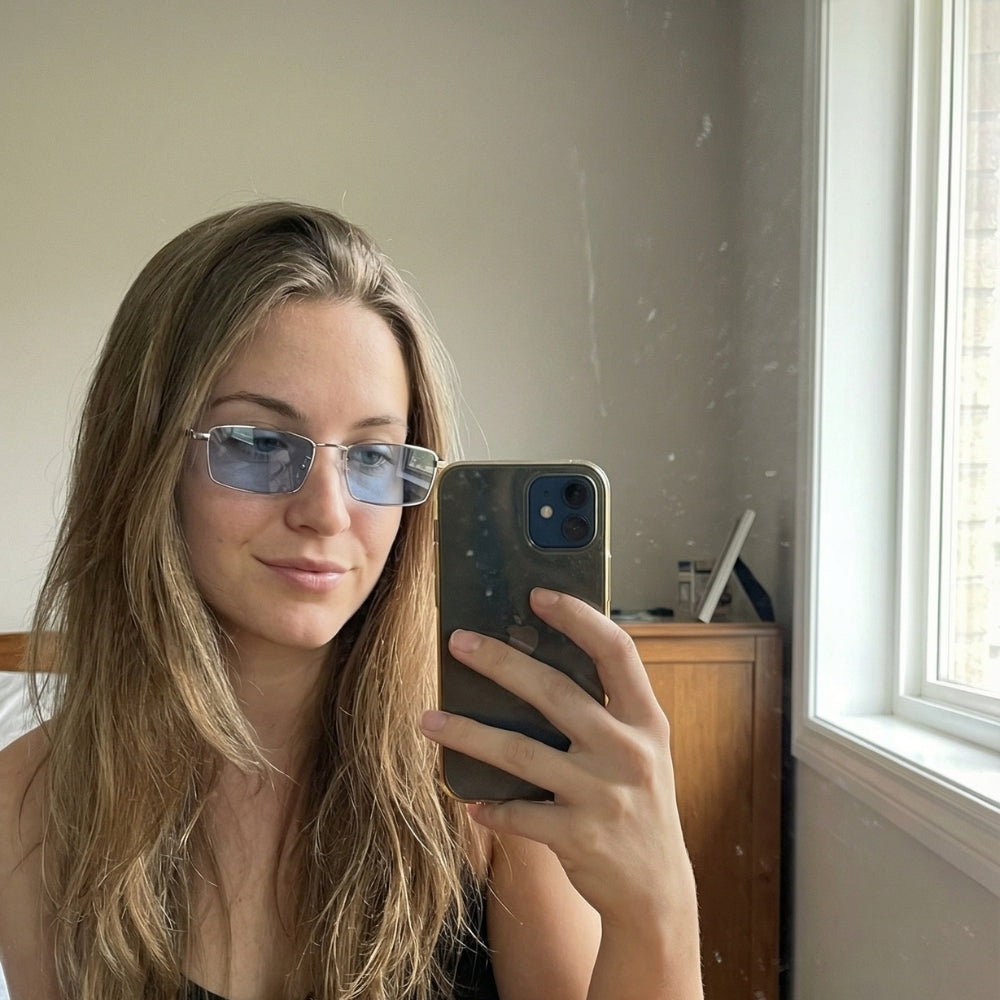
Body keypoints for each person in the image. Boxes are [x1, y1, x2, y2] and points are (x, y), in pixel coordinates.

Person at [0, 202, 702, 1000]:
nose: (327, 513)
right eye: (260, 443)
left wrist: (658, 908)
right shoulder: (31, 804)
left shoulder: (493, 785)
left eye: (373, 456)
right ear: (144, 460)